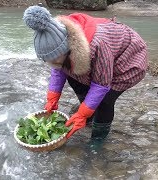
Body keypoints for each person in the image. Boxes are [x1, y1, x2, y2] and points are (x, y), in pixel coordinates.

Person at [23, 5, 148, 147]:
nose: (51, 64)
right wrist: (53, 97)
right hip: (93, 57)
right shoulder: (58, 40)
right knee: (71, 75)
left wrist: (82, 114)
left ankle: (98, 139)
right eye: (48, 61)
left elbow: (101, 84)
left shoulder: (98, 44)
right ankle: (90, 112)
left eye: (53, 60)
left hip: (128, 59)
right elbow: (58, 69)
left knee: (104, 101)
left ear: (67, 49)